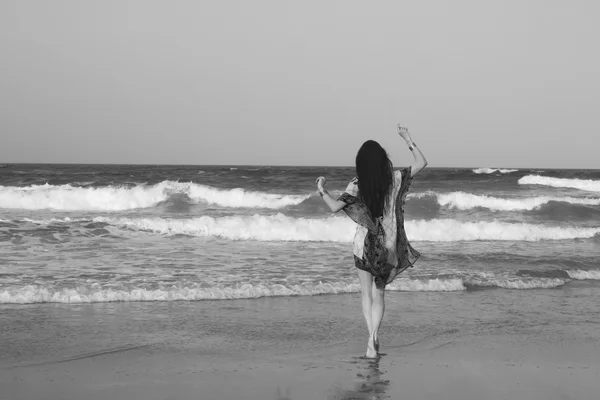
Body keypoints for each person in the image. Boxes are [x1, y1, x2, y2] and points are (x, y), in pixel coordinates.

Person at [316, 124, 427, 358]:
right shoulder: (395, 179)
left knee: (366, 294)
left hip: (362, 246)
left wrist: (321, 190)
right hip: (387, 247)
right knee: (380, 293)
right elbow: (421, 163)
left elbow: (335, 207)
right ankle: (374, 336)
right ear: (382, 160)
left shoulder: (356, 184)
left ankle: (370, 340)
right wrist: (407, 138)